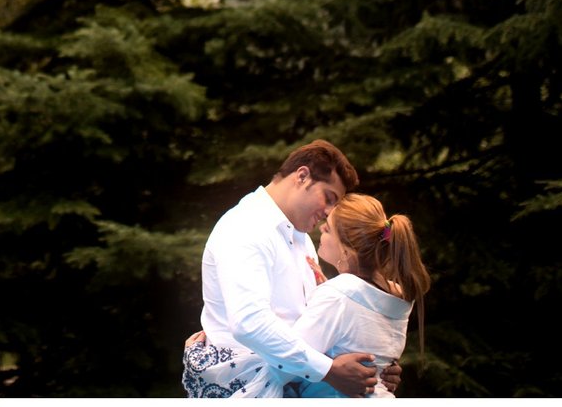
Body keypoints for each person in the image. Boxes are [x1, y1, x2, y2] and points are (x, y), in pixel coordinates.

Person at [182, 140, 400, 398]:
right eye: (328, 198)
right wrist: (329, 370)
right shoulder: (245, 227)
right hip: (249, 390)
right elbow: (249, 323)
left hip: (294, 385)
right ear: (302, 176)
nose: (329, 212)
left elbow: (322, 318)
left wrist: (375, 364)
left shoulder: (301, 239)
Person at [289, 193, 431, 398]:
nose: (321, 228)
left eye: (328, 228)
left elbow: (288, 360)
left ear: (347, 251)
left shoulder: (339, 295)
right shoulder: (397, 295)